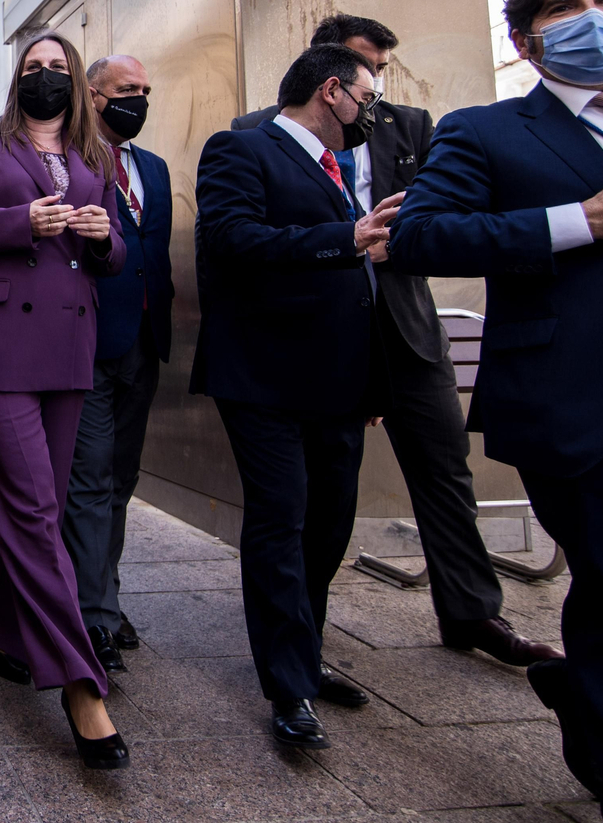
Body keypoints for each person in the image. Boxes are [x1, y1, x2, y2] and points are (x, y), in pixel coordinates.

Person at [388, 0, 603, 822]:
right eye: (567, 8)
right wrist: (583, 222)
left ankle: (590, 695)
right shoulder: (490, 130)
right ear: (529, 43)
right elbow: (423, 236)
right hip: (598, 401)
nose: (595, 16)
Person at [233, 15, 560, 668]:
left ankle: (472, 612)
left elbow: (449, 218)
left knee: (444, 469)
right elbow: (249, 242)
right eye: (363, 68)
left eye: (380, 70)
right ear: (325, 71)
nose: (373, 84)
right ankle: (303, 636)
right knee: (319, 499)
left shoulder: (411, 125)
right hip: (320, 339)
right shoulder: (256, 134)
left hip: (407, 329)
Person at [0, 29, 130, 771]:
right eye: (33, 67)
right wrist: (23, 222)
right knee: (33, 509)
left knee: (38, 500)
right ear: (17, 78)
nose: (46, 75)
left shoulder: (94, 154)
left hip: (71, 347)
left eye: (58, 67)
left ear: (75, 80)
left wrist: (104, 235)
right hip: (1, 349)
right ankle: (81, 682)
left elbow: (113, 260)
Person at [192, 44, 403, 750]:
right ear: (333, 91)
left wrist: (373, 379)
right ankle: (289, 687)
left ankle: (305, 655)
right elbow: (232, 239)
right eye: (366, 99)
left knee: (329, 524)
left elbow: (357, 284)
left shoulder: (336, 169)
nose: (370, 113)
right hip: (265, 376)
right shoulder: (241, 149)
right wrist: (344, 236)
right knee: (281, 521)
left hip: (340, 381)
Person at [63, 54, 174, 675]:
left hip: (142, 345)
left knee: (122, 481)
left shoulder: (152, 168)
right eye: (127, 89)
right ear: (94, 95)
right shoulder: (71, 162)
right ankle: (92, 616)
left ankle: (104, 595)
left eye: (146, 89)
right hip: (87, 343)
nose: (139, 98)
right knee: (90, 480)